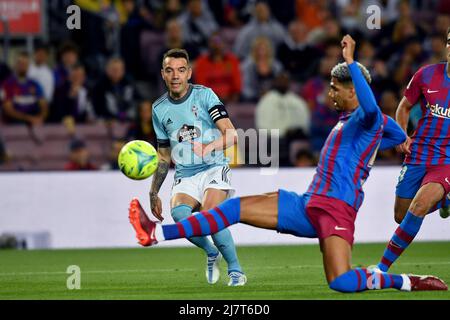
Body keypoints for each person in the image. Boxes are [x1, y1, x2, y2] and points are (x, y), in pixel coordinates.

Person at [128, 36, 448, 293]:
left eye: (336, 88)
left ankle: (406, 281)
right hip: (309, 204)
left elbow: (373, 110)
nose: (330, 93)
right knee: (232, 209)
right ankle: (156, 232)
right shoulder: (357, 120)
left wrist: (351, 61)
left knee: (341, 282)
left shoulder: (368, 116)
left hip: (337, 211)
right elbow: (397, 134)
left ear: (352, 90)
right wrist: (405, 141)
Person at [143, 48, 246, 286]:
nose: (175, 75)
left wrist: (209, 147)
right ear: (163, 74)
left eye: (181, 70)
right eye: (170, 70)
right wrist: (153, 192)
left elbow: (231, 135)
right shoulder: (158, 109)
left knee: (211, 216)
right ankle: (211, 252)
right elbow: (164, 154)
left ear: (189, 73)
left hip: (213, 167)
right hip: (185, 174)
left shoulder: (205, 96)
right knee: (180, 216)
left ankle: (236, 270)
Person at [373, 29, 450, 273]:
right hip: (418, 153)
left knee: (419, 206)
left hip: (446, 160)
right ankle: (446, 201)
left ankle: (381, 268)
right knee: (402, 214)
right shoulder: (426, 75)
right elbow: (404, 107)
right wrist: (402, 134)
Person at [1, 52, 48, 126]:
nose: (23, 66)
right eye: (20, 63)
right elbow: (8, 109)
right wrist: (29, 118)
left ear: (29, 66)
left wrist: (40, 117)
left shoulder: (35, 84)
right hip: (14, 125)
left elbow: (44, 105)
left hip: (34, 122)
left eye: (25, 64)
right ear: (15, 64)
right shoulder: (7, 84)